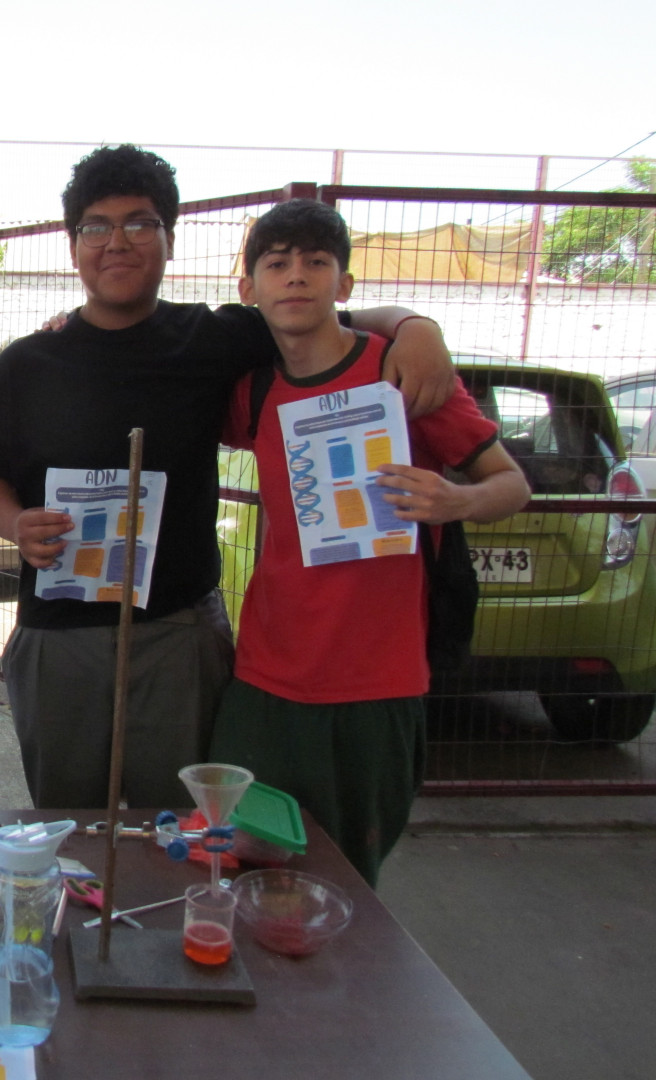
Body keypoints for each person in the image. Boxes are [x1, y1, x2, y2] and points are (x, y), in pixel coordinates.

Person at [0, 145, 455, 810]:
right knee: (71, 828)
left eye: (140, 223)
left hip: (179, 637)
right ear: (73, 246)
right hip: (59, 639)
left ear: (169, 238)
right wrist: (15, 523)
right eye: (96, 227)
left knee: (181, 830)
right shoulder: (27, 363)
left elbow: (321, 315)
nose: (117, 242)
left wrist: (417, 328)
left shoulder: (213, 337)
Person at [209, 199, 530, 884]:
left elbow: (512, 484)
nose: (297, 276)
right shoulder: (252, 391)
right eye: (277, 264)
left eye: (316, 262)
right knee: (245, 871)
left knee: (347, 885)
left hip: (376, 683)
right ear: (250, 289)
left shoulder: (402, 375)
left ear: (344, 284)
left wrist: (456, 501)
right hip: (265, 678)